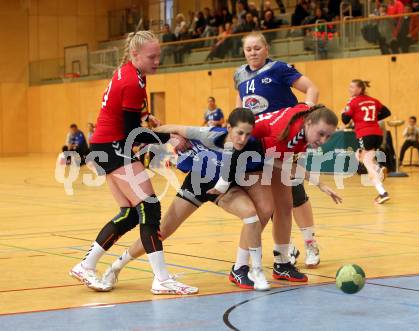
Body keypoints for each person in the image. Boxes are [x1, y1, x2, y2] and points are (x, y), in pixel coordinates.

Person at [69, 30, 198, 295]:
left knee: (130, 213)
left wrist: (148, 115)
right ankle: (161, 279)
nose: (157, 60)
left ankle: (86, 264)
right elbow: (131, 133)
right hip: (114, 146)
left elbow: (130, 112)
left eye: (159, 55)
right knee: (149, 207)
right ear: (135, 54)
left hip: (105, 145)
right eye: (152, 56)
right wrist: (169, 137)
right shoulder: (132, 81)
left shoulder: (131, 73)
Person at [102, 108, 271, 291]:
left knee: (251, 215)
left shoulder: (250, 146)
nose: (243, 139)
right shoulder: (207, 135)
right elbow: (173, 128)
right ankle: (116, 266)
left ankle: (246, 269)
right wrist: (146, 137)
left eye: (247, 134)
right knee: (163, 230)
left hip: (222, 189)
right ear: (228, 127)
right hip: (197, 184)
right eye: (239, 133)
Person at [213, 104, 342, 284]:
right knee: (263, 210)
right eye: (321, 134)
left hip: (265, 153)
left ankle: (282, 262)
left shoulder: (306, 120)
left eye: (328, 136)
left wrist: (319, 183)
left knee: (285, 205)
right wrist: (319, 183)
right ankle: (239, 267)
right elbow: (278, 162)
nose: (323, 140)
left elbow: (284, 161)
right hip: (242, 154)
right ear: (309, 123)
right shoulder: (289, 134)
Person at [234, 31, 323, 271]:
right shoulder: (239, 75)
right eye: (248, 48)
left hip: (284, 140)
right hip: (259, 143)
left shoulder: (279, 69)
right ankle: (285, 248)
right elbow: (240, 108)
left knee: (294, 192)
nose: (252, 52)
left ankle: (310, 242)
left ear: (266, 49)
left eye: (257, 48)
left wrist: (306, 115)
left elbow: (311, 88)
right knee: (269, 199)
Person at [341, 80, 392, 204]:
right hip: (377, 134)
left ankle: (382, 192)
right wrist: (372, 119)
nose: (350, 89)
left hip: (365, 134)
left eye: (352, 87)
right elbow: (387, 112)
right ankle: (378, 169)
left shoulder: (352, 102)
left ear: (360, 89)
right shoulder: (373, 100)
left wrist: (343, 111)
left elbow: (345, 120)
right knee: (359, 156)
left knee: (368, 164)